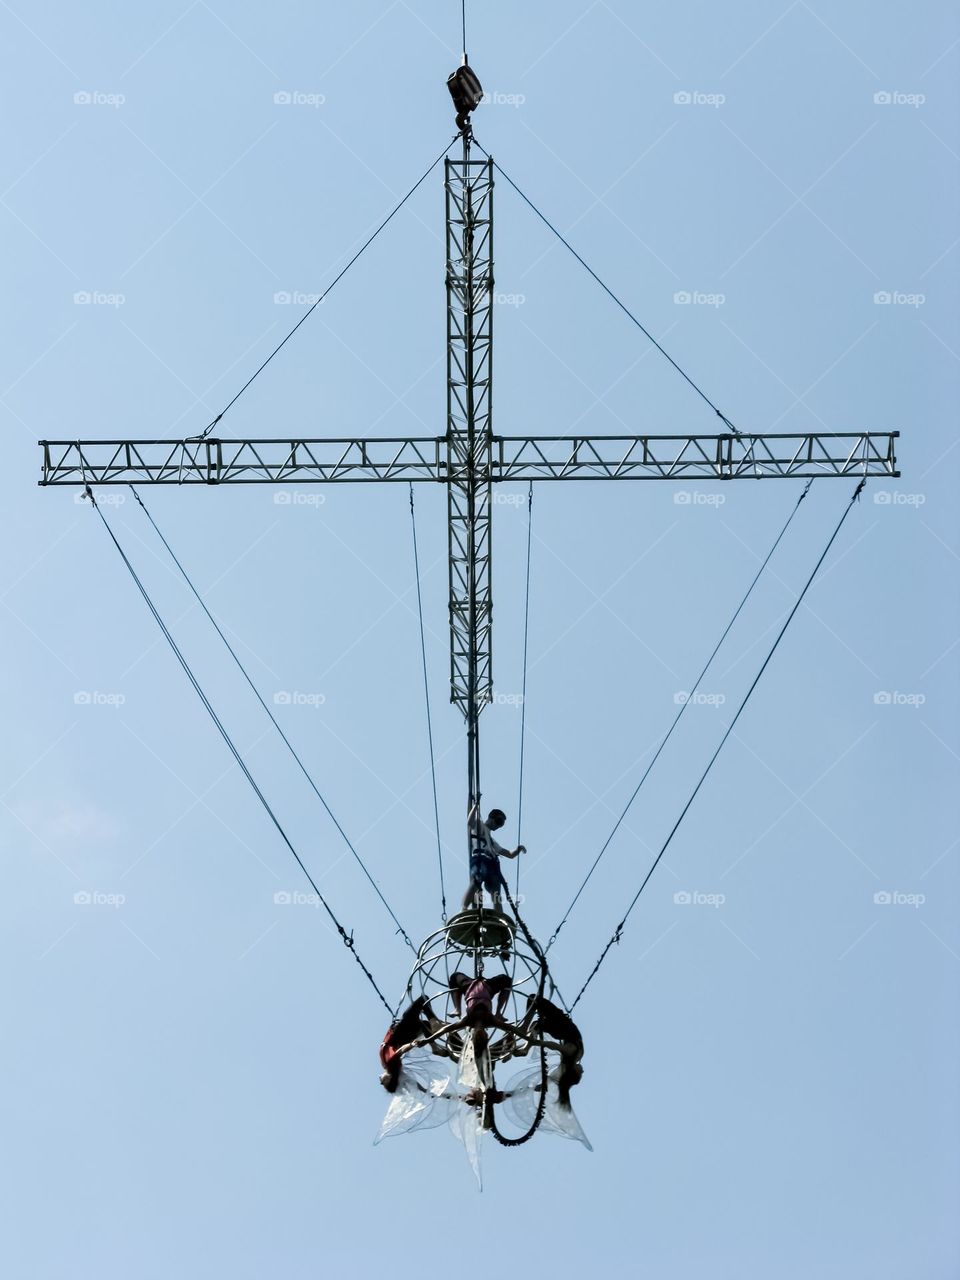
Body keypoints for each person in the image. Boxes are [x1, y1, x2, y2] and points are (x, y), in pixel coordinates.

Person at [462, 803, 525, 911]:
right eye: (498, 822)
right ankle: (464, 908)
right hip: (480, 858)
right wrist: (476, 805)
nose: (498, 826)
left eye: (501, 825)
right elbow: (469, 822)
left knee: (496, 891)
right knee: (477, 879)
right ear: (491, 817)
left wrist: (518, 849)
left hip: (492, 863)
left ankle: (499, 915)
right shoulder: (478, 825)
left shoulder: (492, 841)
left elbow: (509, 854)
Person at [527, 994, 585, 1108]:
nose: (583, 1071)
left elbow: (554, 1046)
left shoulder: (574, 1054)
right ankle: (527, 1042)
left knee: (533, 998)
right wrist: (544, 1085)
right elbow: (553, 1078)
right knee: (536, 1025)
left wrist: (538, 1043)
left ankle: (525, 1038)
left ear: (574, 1070)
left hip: (559, 1023)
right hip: (557, 1029)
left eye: (580, 1073)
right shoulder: (567, 1064)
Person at [378, 996, 437, 1093]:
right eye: (383, 1083)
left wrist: (425, 1091)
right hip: (402, 1032)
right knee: (423, 998)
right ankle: (434, 1040)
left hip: (407, 1035)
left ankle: (434, 1040)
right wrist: (412, 1045)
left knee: (425, 1025)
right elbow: (400, 1051)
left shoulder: (397, 1071)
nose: (380, 1081)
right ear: (388, 1079)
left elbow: (413, 1083)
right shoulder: (388, 1063)